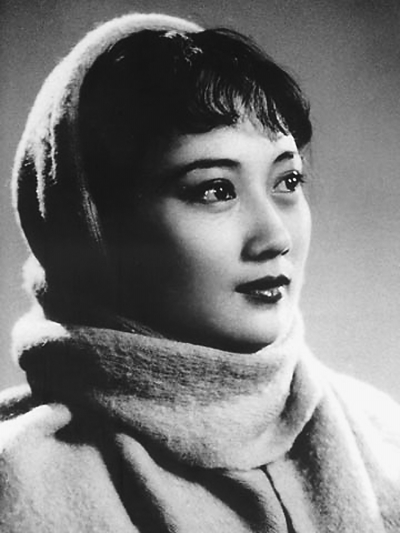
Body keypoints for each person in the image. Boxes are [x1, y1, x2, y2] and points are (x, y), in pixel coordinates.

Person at [0, 12, 399, 533]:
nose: (275, 236)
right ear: (94, 222)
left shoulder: (385, 435)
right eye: (215, 189)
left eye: (287, 180)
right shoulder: (21, 483)